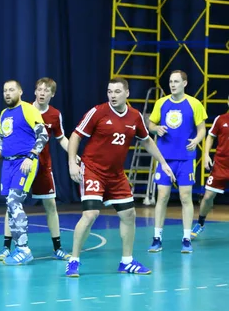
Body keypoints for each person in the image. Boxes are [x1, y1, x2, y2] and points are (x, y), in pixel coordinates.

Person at [66, 77, 175, 277]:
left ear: (127, 93)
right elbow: (75, 136)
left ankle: (126, 261)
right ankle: (74, 260)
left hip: (116, 174)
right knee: (90, 214)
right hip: (93, 170)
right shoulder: (98, 112)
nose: (112, 95)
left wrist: (163, 162)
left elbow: (147, 141)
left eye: (117, 92)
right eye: (109, 91)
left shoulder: (134, 117)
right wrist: (72, 162)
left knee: (129, 215)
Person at [0, 78, 73, 262]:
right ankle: (8, 246)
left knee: (47, 205)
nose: (42, 93)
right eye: (40, 89)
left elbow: (58, 138)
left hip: (37, 164)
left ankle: (53, 247)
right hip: (15, 164)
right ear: (34, 92)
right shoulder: (11, 112)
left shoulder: (46, 114)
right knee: (11, 203)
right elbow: (3, 136)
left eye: (47, 90)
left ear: (52, 94)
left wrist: (73, 154)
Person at [0, 79, 49, 265]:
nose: (7, 93)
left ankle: (24, 249)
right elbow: (2, 138)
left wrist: (31, 156)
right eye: (5, 90)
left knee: (14, 201)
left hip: (24, 162)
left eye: (11, 90)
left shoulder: (29, 110)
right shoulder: (4, 114)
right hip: (7, 164)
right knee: (10, 205)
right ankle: (16, 247)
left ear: (20, 91)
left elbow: (43, 135)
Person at [147, 70, 207, 253]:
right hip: (164, 158)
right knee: (162, 197)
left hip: (186, 159)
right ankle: (157, 238)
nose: (172, 85)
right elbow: (150, 124)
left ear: (185, 83)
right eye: (171, 82)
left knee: (185, 197)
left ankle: (186, 238)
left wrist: (196, 141)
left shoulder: (194, 104)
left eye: (176, 81)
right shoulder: (161, 103)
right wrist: (156, 128)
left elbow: (202, 129)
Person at [191, 96, 229, 238]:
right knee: (208, 197)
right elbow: (211, 136)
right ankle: (200, 223)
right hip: (221, 164)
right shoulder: (221, 119)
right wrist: (206, 155)